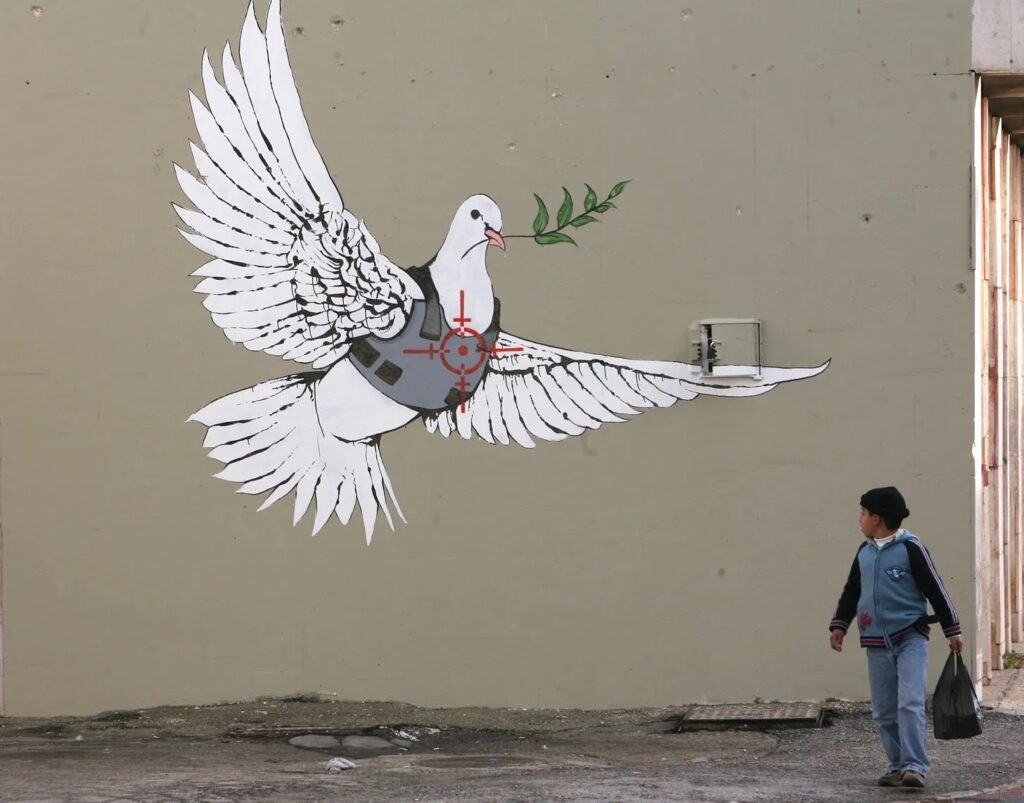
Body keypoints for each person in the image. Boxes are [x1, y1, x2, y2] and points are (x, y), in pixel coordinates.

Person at [828, 486, 963, 789]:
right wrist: (839, 625)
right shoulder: (864, 553)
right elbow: (852, 591)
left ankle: (915, 766)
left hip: (910, 636)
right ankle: (898, 764)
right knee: (884, 711)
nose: (859, 519)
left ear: (876, 518)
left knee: (910, 702)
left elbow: (935, 588)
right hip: (876, 641)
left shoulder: (911, 548)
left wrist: (952, 628)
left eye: (862, 514)